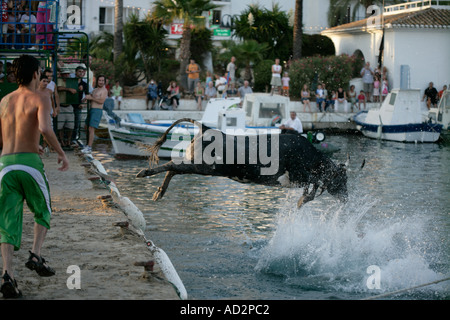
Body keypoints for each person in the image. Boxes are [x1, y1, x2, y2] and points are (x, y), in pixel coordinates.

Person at [0, 54, 69, 299]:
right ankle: (35, 254)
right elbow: (44, 128)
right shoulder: (40, 96)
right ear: (35, 74)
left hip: (6, 165)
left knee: (7, 222)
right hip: (29, 165)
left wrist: (29, 144)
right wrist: (60, 152)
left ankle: (8, 275)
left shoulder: (5, 100)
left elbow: (4, 137)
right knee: (43, 210)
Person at [81, 75, 108, 154]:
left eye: (102, 80)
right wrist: (84, 100)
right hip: (91, 110)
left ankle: (89, 147)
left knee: (91, 128)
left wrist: (91, 98)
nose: (101, 82)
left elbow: (101, 101)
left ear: (104, 81)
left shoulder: (104, 90)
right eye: (100, 80)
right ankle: (87, 144)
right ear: (97, 81)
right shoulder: (95, 90)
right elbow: (89, 99)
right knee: (86, 127)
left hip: (97, 110)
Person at [71, 66, 89, 144]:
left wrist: (83, 103)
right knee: (68, 123)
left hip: (78, 106)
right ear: (76, 72)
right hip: (69, 105)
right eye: (79, 71)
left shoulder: (84, 84)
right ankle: (67, 139)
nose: (81, 73)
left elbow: (88, 95)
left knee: (77, 123)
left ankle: (74, 139)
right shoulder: (71, 81)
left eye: (82, 72)